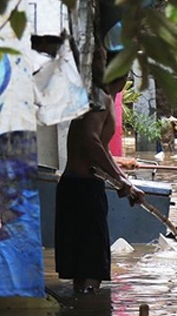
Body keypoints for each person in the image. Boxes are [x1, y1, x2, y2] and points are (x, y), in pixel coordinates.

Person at [55, 82, 145, 293]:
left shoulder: (97, 96)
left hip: (74, 185)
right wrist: (120, 180)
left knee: (81, 270)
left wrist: (124, 180)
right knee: (93, 270)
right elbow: (91, 141)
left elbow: (100, 148)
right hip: (84, 189)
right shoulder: (100, 97)